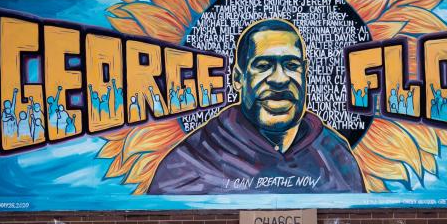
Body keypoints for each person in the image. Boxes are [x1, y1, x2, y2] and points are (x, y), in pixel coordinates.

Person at [149, 18, 364, 194]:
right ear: (237, 78)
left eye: (291, 65)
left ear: (305, 74)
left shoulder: (335, 156)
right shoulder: (190, 162)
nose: (279, 79)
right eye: (263, 65)